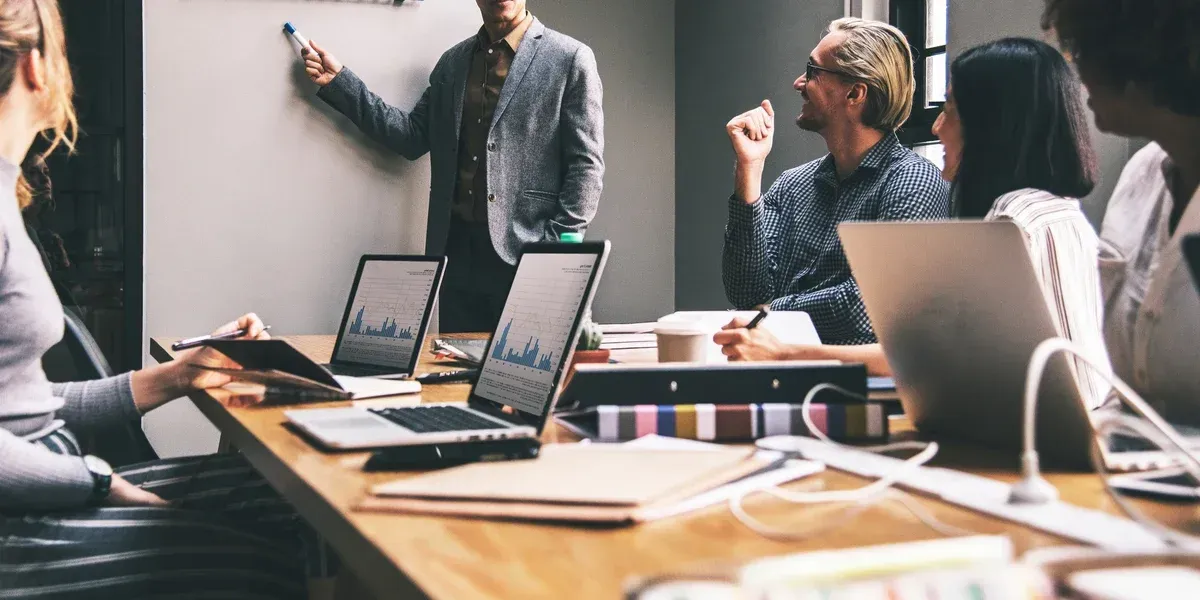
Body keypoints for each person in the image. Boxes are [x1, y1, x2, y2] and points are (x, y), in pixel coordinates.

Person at [0, 2, 327, 597]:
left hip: (45, 492)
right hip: (23, 528)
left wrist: (180, 376)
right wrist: (98, 484)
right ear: (36, 67)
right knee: (275, 563)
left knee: (304, 498)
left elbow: (20, 408)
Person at [716, 38, 1114, 409]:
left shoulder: (1015, 222)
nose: (937, 127)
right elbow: (746, 291)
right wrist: (748, 171)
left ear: (993, 124)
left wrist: (776, 332)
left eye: (950, 109)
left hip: (1051, 446)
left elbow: (922, 348)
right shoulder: (1047, 214)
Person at [303, 0, 604, 333]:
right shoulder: (453, 63)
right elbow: (411, 136)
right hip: (456, 257)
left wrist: (554, 250)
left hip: (527, 256)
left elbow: (586, 165)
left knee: (523, 378)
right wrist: (341, 83)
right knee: (456, 378)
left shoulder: (570, 59)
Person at [721, 17, 950, 346]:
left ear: (855, 93)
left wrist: (769, 313)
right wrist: (749, 168)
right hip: (776, 376)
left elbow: (866, 309)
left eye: (812, 70)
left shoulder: (913, 181)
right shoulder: (792, 185)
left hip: (851, 390)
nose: (799, 82)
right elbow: (745, 292)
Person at [1042, 0, 1200, 424]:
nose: (1077, 72)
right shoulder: (1139, 177)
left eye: (1082, 52)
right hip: (1132, 468)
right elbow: (1128, 393)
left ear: (1134, 57)